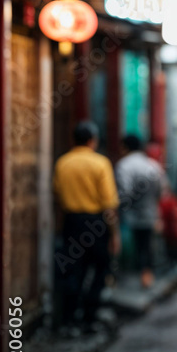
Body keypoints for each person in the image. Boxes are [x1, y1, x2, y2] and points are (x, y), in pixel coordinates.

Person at [52, 121, 120, 336]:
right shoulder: (100, 163)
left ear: (74, 140)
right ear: (93, 140)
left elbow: (57, 196)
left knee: (73, 271)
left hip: (72, 222)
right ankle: (90, 318)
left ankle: (70, 320)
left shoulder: (63, 163)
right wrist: (114, 234)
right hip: (96, 224)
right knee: (100, 270)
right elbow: (109, 204)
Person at [115, 134, 167, 289]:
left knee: (132, 245)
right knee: (147, 244)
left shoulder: (123, 165)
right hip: (150, 212)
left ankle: (126, 275)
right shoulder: (153, 165)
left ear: (125, 147)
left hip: (130, 215)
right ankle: (147, 274)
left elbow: (125, 193)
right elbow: (161, 191)